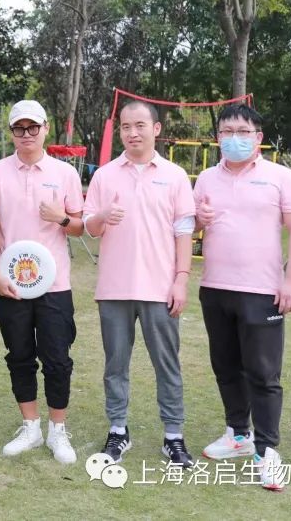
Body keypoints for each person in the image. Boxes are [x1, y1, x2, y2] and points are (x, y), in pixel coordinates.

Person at [192, 104, 291, 492]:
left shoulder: (280, 177)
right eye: (226, 132)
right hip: (215, 287)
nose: (234, 138)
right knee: (226, 366)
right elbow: (193, 224)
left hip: (262, 290)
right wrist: (200, 220)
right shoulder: (207, 178)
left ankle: (267, 451)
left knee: (263, 373)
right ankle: (238, 433)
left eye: (242, 132)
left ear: (258, 138)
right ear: (218, 138)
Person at [83, 100, 197, 467]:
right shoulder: (104, 176)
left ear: (156, 129)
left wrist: (181, 280)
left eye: (140, 126)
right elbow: (89, 228)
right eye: (126, 126)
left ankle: (174, 436)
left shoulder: (175, 176)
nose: (132, 133)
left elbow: (184, 232)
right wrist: (102, 215)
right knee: (115, 365)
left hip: (160, 289)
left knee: (167, 364)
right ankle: (118, 430)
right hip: (114, 289)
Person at [0, 100, 85, 464]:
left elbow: (79, 227)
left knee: (57, 358)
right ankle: (30, 427)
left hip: (54, 285)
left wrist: (61, 218)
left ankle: (58, 430)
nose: (26, 134)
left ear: (45, 129)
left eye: (33, 127)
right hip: (11, 283)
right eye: (19, 128)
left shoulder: (65, 173)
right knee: (19, 356)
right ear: (12, 132)